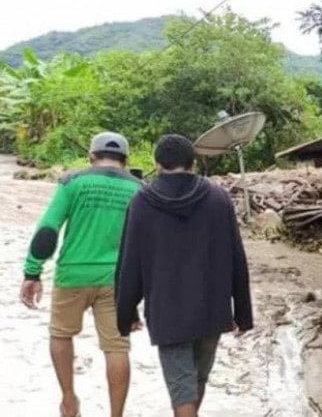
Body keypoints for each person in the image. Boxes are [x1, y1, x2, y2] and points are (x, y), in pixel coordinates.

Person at [115, 134, 253, 417]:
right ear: (192, 163)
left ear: (157, 164)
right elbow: (237, 257)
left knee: (182, 389)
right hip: (211, 309)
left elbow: (130, 263)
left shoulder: (142, 202)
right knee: (195, 384)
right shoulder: (218, 198)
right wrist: (243, 312)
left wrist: (126, 312)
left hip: (169, 312)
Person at [19, 132, 142, 417]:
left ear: (91, 156)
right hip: (117, 279)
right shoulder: (138, 189)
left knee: (61, 335)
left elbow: (48, 231)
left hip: (72, 275)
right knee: (117, 348)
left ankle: (69, 400)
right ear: (126, 161)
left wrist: (32, 272)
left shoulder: (72, 183)